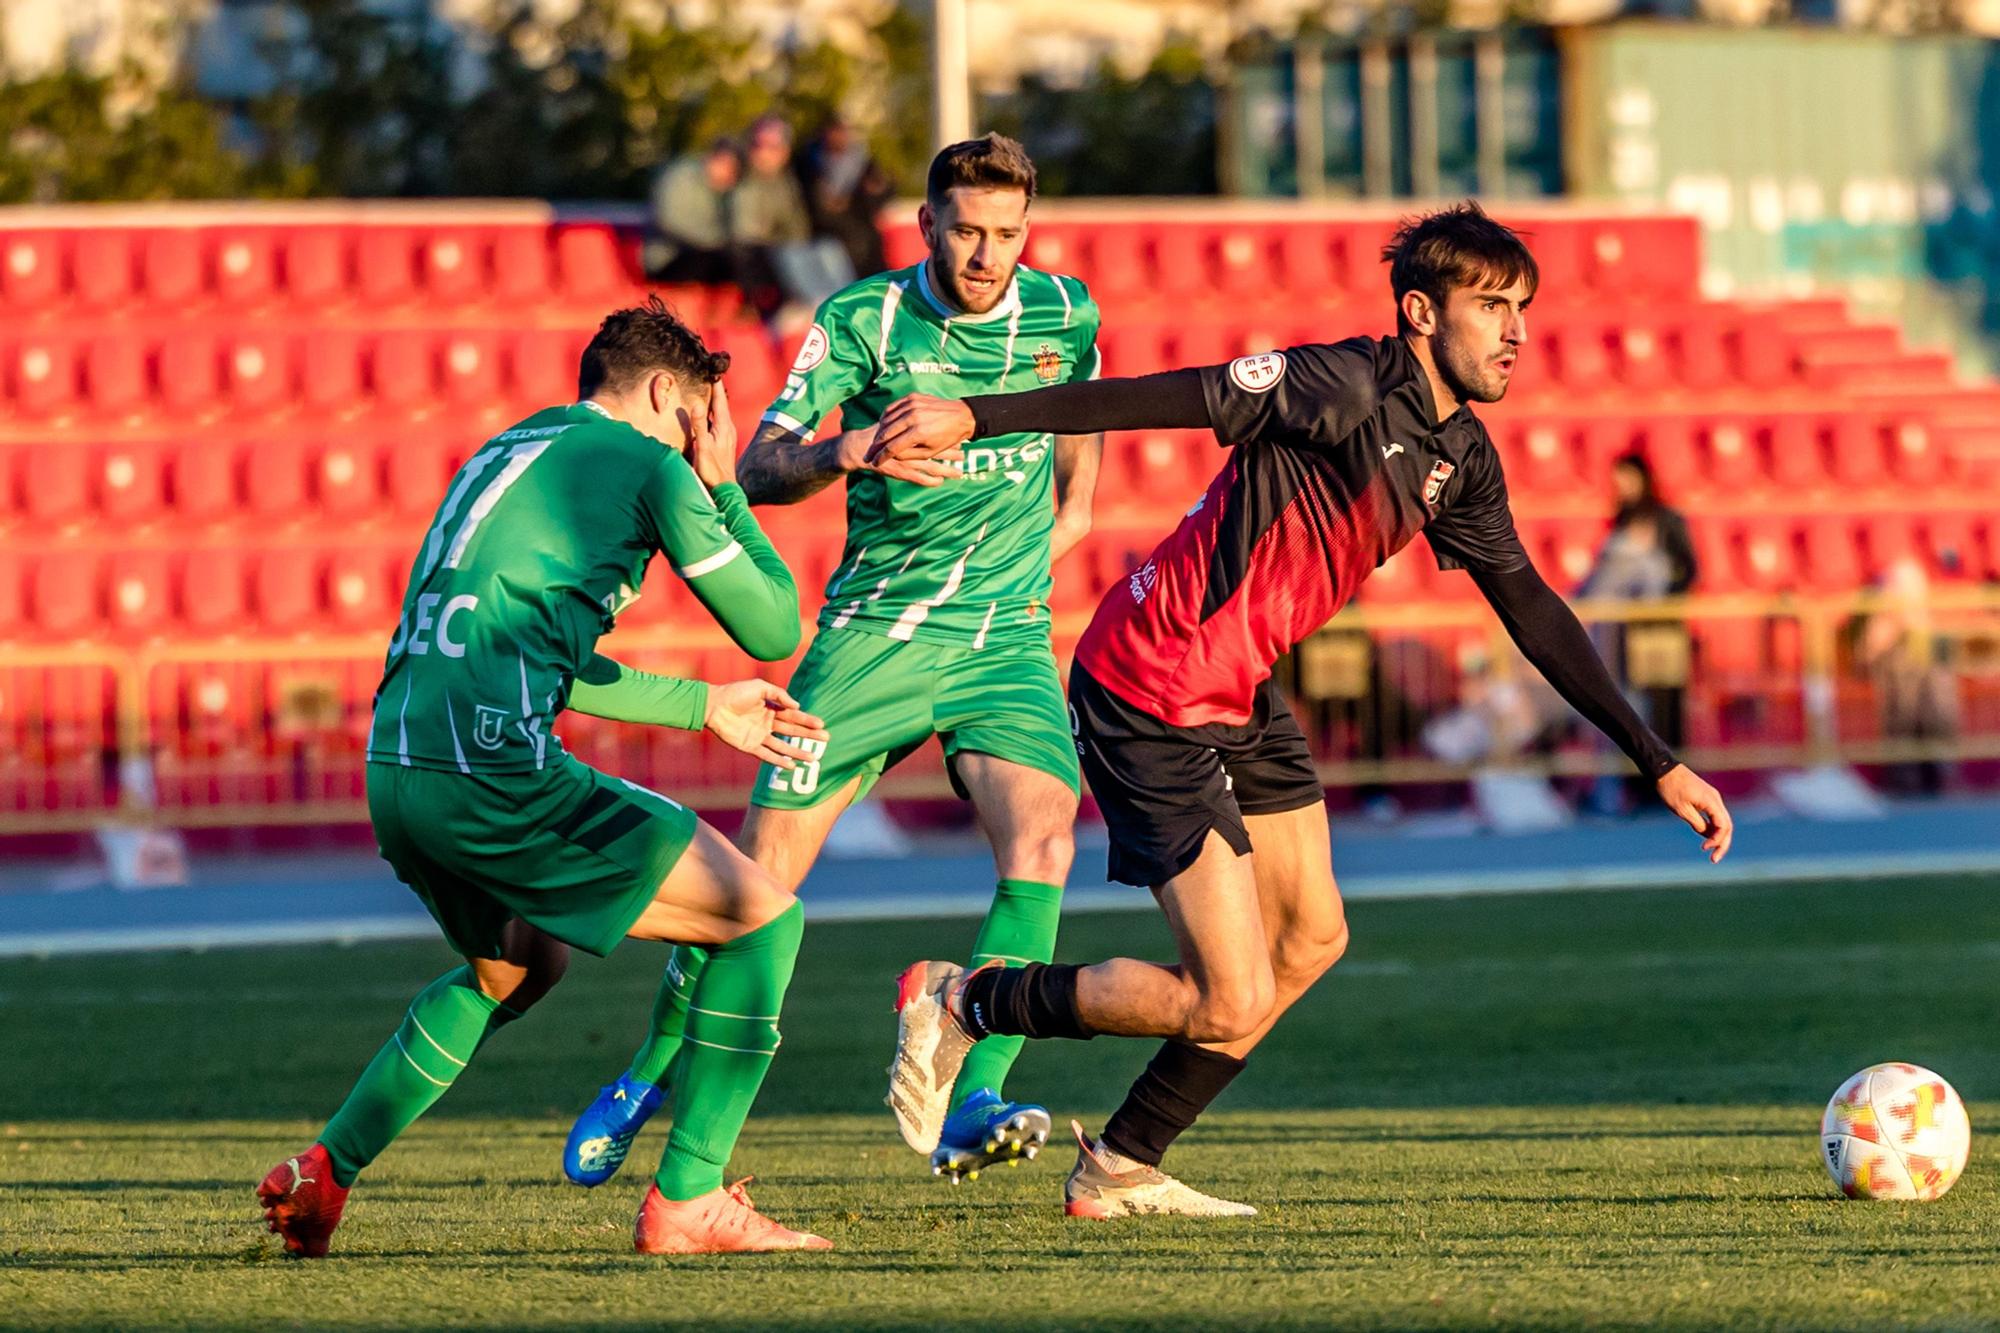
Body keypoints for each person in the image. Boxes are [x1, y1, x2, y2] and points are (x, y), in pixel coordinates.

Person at [873, 201, 1736, 1218]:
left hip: (1234, 691)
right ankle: (962, 998)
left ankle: (1118, 1164)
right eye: (1491, 305)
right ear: (1420, 312)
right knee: (1223, 995)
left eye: (1523, 308)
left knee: (1311, 937)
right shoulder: (1343, 382)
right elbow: (1164, 399)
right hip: (1146, 683)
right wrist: (980, 413)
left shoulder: (1459, 456)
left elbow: (1533, 611)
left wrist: (1654, 758)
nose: (1514, 330)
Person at [562, 132, 1104, 1188]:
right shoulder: (864, 319)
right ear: (926, 225)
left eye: (1004, 234)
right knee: (753, 882)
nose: (985, 255)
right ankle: (649, 1071)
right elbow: (757, 464)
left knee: (1042, 843)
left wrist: (1070, 517)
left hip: (1002, 643)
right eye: (965, 232)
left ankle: (975, 1086)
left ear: (1026, 230)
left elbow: (1077, 411)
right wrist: (843, 450)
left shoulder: (1066, 311)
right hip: (872, 638)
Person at [256, 297, 836, 1257]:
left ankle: (328, 1169)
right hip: (492, 769)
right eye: (699, 414)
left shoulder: (502, 449)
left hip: (398, 766)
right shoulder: (652, 462)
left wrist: (703, 706)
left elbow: (541, 650)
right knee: (764, 919)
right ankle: (688, 1201)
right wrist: (723, 483)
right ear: (666, 395)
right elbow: (775, 627)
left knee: (515, 962)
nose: (699, 438)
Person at [734, 115, 854, 319]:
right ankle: (822, 309)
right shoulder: (745, 182)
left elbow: (797, 225)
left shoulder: (788, 182)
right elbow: (748, 231)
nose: (764, 154)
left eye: (773, 147)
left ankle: (848, 303)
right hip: (756, 253)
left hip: (788, 246)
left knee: (828, 248)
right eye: (759, 146)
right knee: (791, 254)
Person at [798, 115, 894, 277]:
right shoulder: (808, 164)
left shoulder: (863, 162)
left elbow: (883, 190)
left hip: (863, 232)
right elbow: (811, 204)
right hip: (826, 235)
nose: (839, 137)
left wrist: (873, 193)